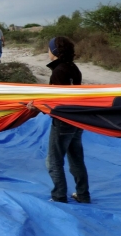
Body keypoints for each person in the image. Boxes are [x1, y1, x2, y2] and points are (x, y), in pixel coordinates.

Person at [28, 36, 90, 204]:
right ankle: (83, 195)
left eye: (49, 49)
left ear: (54, 52)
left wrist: (38, 106)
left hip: (63, 121)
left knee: (53, 161)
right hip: (77, 120)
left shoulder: (59, 71)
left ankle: (59, 196)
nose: (47, 52)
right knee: (76, 159)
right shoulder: (74, 68)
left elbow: (57, 100)